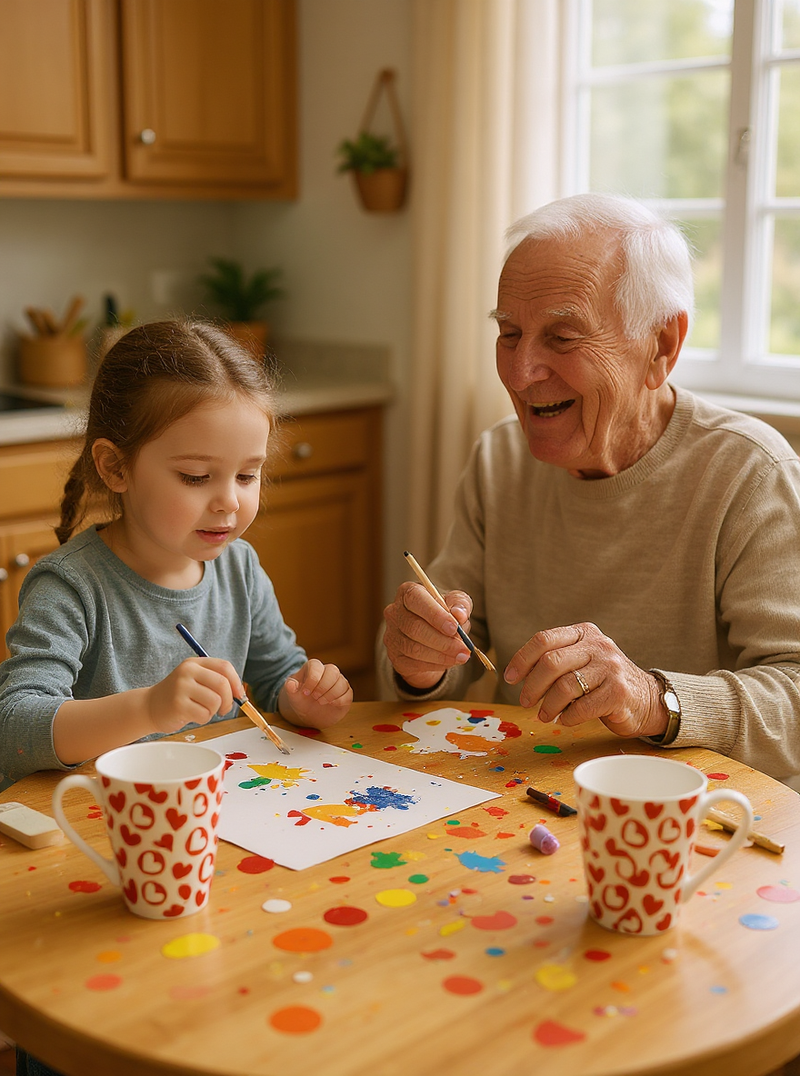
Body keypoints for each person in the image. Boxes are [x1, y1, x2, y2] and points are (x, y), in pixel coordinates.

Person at [380, 192, 800, 783]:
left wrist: (652, 700)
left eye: (563, 337)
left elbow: (795, 698)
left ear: (661, 347)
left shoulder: (749, 474)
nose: (522, 372)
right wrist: (418, 662)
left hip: (695, 821)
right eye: (509, 333)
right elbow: (445, 659)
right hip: (524, 802)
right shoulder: (498, 458)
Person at [0, 319, 352, 794]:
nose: (229, 501)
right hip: (100, 825)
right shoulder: (69, 587)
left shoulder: (239, 568)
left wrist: (303, 699)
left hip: (217, 816)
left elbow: (272, 680)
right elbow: (15, 729)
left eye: (247, 476)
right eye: (194, 477)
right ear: (115, 466)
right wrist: (148, 709)